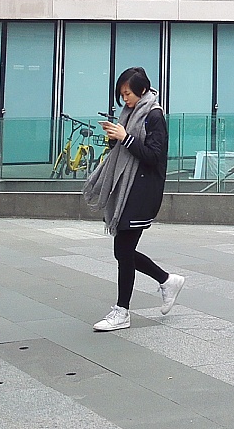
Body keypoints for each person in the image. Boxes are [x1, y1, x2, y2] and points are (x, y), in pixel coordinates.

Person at [83, 67, 184, 332]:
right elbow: (123, 151)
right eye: (122, 94)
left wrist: (125, 138)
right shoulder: (129, 113)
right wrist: (114, 139)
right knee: (123, 251)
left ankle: (122, 311)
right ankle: (166, 281)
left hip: (141, 191)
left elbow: (154, 156)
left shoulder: (154, 115)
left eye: (128, 93)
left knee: (124, 251)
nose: (124, 99)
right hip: (126, 190)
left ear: (142, 90)